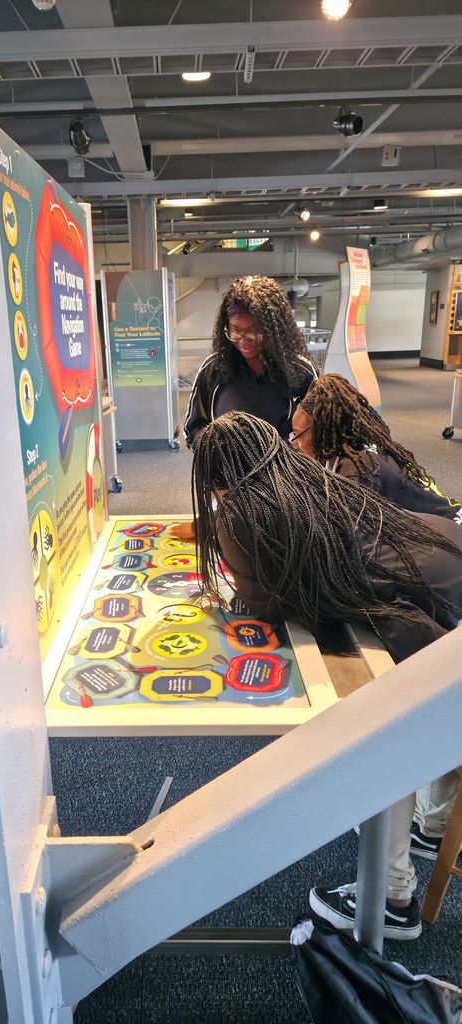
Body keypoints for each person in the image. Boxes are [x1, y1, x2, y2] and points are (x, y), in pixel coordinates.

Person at [191, 410, 462, 941]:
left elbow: (265, 602)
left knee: (384, 727)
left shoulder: (244, 513)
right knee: (410, 709)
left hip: (442, 613)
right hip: (447, 562)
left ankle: (392, 898)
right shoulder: (306, 478)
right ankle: (431, 826)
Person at [290, 373, 462, 522]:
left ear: (322, 431)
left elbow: (353, 539)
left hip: (448, 536)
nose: (294, 443)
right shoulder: (355, 446)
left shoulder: (358, 472)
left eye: (297, 435)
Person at [183, 275, 317, 452]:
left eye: (255, 333)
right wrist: (218, 450)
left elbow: (318, 429)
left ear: (274, 330)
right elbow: (192, 430)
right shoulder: (213, 369)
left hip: (284, 475)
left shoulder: (300, 371)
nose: (244, 341)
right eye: (236, 332)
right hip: (229, 475)